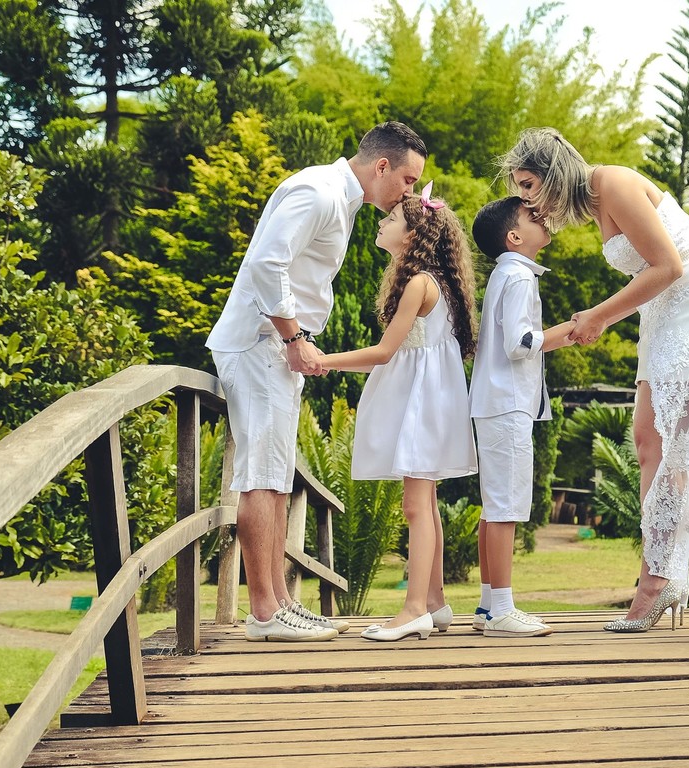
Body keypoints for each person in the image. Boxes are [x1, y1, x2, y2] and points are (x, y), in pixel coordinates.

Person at [498, 127, 689, 633]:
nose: (526, 199)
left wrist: (600, 316)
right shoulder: (595, 203)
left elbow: (669, 266)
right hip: (664, 315)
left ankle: (657, 582)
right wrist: (579, 327)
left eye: (528, 185)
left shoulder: (613, 182)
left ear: (553, 172)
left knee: (667, 444)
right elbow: (648, 278)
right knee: (648, 440)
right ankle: (662, 574)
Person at [206, 121, 428, 642]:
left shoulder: (341, 200)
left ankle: (282, 602)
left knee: (278, 476)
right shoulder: (319, 191)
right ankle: (264, 612)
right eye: (408, 180)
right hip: (262, 343)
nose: (409, 194)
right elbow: (267, 264)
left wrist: (294, 341)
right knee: (261, 475)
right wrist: (293, 337)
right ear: (382, 166)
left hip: (278, 349)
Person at [319, 184, 478, 641]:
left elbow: (384, 352)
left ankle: (413, 610)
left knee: (415, 506)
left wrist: (322, 360)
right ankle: (435, 602)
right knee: (425, 503)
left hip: (422, 402)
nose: (381, 222)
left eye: (391, 219)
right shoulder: (434, 282)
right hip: (430, 399)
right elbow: (395, 355)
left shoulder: (418, 283)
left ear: (411, 234)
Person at [469, 196, 576, 637]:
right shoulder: (517, 277)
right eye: (532, 216)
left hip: (497, 402)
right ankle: (501, 610)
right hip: (507, 403)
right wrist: (566, 332)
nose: (543, 216)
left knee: (495, 505)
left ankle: (488, 604)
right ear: (514, 237)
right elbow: (520, 343)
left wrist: (562, 336)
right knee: (505, 506)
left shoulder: (507, 274)